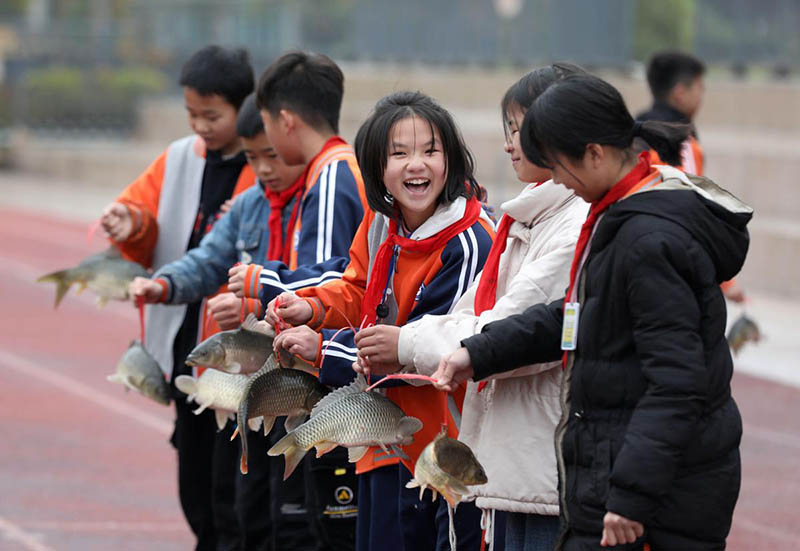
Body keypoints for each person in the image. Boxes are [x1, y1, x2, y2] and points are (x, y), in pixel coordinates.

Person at [434, 74, 751, 551]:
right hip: (623, 477)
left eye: (560, 166)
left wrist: (630, 497)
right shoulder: (621, 210)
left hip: (657, 502)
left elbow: (677, 384)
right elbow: (580, 316)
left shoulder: (649, 238)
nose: (558, 180)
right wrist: (478, 352)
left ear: (595, 153)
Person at [350, 64, 588, 551]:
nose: (508, 144)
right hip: (503, 460)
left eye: (519, 131)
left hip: (521, 460)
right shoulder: (524, 219)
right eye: (508, 131)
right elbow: (465, 314)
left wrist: (401, 343)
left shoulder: (562, 226)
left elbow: (507, 330)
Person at [266, 91, 494, 551]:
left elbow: (419, 351)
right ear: (376, 167)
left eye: (431, 151)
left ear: (452, 159)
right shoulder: (381, 221)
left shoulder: (469, 242)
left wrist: (324, 349)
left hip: (445, 451)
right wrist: (311, 308)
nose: (417, 165)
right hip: (382, 437)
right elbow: (357, 288)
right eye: (400, 153)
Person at [127, 92, 322, 550]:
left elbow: (322, 284)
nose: (265, 169)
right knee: (233, 503)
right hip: (245, 384)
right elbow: (208, 258)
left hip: (297, 384)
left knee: (290, 516)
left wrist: (255, 305)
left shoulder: (320, 199)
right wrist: (166, 284)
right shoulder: (251, 204)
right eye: (253, 158)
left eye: (272, 155)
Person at [99, 45, 256, 550]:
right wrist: (131, 223)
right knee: (194, 478)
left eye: (213, 115)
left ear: (245, 107)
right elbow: (140, 215)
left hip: (239, 350)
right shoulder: (180, 157)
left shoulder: (265, 164)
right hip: (187, 338)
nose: (201, 126)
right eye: (192, 114)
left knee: (230, 481)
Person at [226, 51, 368, 551]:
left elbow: (334, 276)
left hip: (328, 380)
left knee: (320, 529)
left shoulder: (330, 175)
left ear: (284, 120)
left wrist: (265, 282)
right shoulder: (336, 168)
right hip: (333, 372)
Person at [637, 51, 746, 304]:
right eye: (699, 88)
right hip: (668, 262)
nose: (701, 96)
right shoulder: (682, 142)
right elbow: (691, 207)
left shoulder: (634, 130)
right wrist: (726, 281)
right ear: (679, 92)